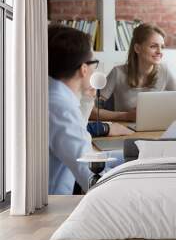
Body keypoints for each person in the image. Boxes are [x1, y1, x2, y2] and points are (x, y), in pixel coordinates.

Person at [48, 25, 125, 195]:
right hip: (56, 208)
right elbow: (90, 174)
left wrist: (133, 156)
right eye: (94, 63)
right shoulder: (61, 107)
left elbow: (83, 151)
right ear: (84, 69)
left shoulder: (55, 97)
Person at [94, 23, 176, 122]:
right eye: (153, 46)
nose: (159, 51)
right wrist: (126, 116)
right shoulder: (117, 73)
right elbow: (93, 112)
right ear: (137, 48)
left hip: (156, 128)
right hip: (125, 130)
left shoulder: (164, 71)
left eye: (162, 47)